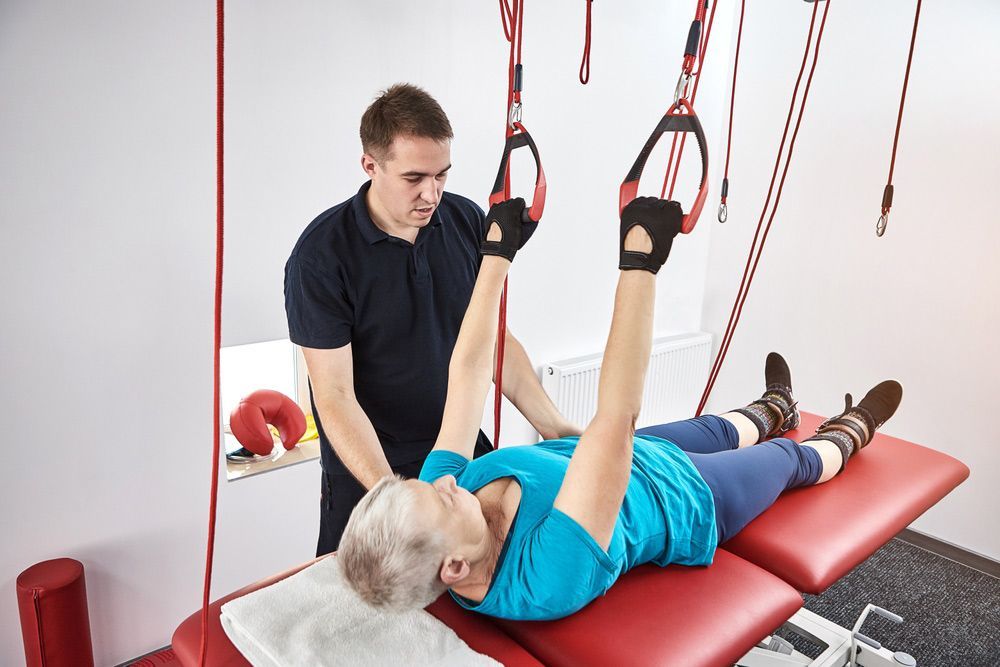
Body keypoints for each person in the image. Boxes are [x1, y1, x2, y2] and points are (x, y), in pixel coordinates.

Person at [337, 196, 903, 621]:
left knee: (722, 425)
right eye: (438, 496)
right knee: (789, 459)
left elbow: (465, 377)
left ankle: (774, 405)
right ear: (454, 568)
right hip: (685, 499)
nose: (442, 481)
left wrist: (493, 256)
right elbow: (615, 419)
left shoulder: (444, 505)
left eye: (422, 482)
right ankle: (851, 433)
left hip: (636, 455)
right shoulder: (544, 578)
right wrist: (640, 265)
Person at [284, 83, 578, 557]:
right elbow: (334, 394)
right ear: (370, 165)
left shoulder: (464, 221)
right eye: (414, 177)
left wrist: (557, 429)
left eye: (442, 175)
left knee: (480, 585)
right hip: (370, 468)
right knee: (365, 605)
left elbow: (493, 340)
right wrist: (392, 495)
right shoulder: (320, 257)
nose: (432, 193)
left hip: (458, 448)